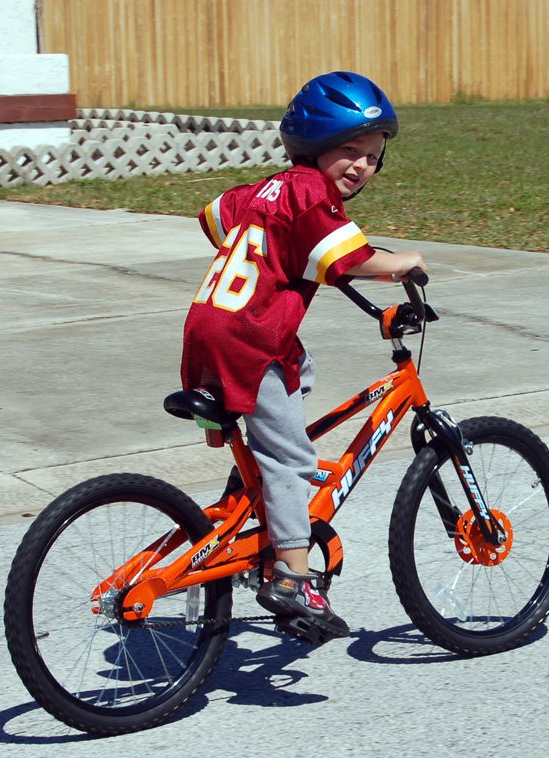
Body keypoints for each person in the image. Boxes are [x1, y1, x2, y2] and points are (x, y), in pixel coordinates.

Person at [181, 71, 426, 643]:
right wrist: (404, 260)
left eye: (371, 157)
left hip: (210, 330)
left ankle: (254, 492)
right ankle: (293, 579)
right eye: (349, 150)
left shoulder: (268, 189)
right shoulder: (312, 194)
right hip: (249, 341)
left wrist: (272, 248)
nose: (362, 166)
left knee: (299, 370)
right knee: (290, 457)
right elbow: (349, 259)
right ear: (313, 147)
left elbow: (213, 217)